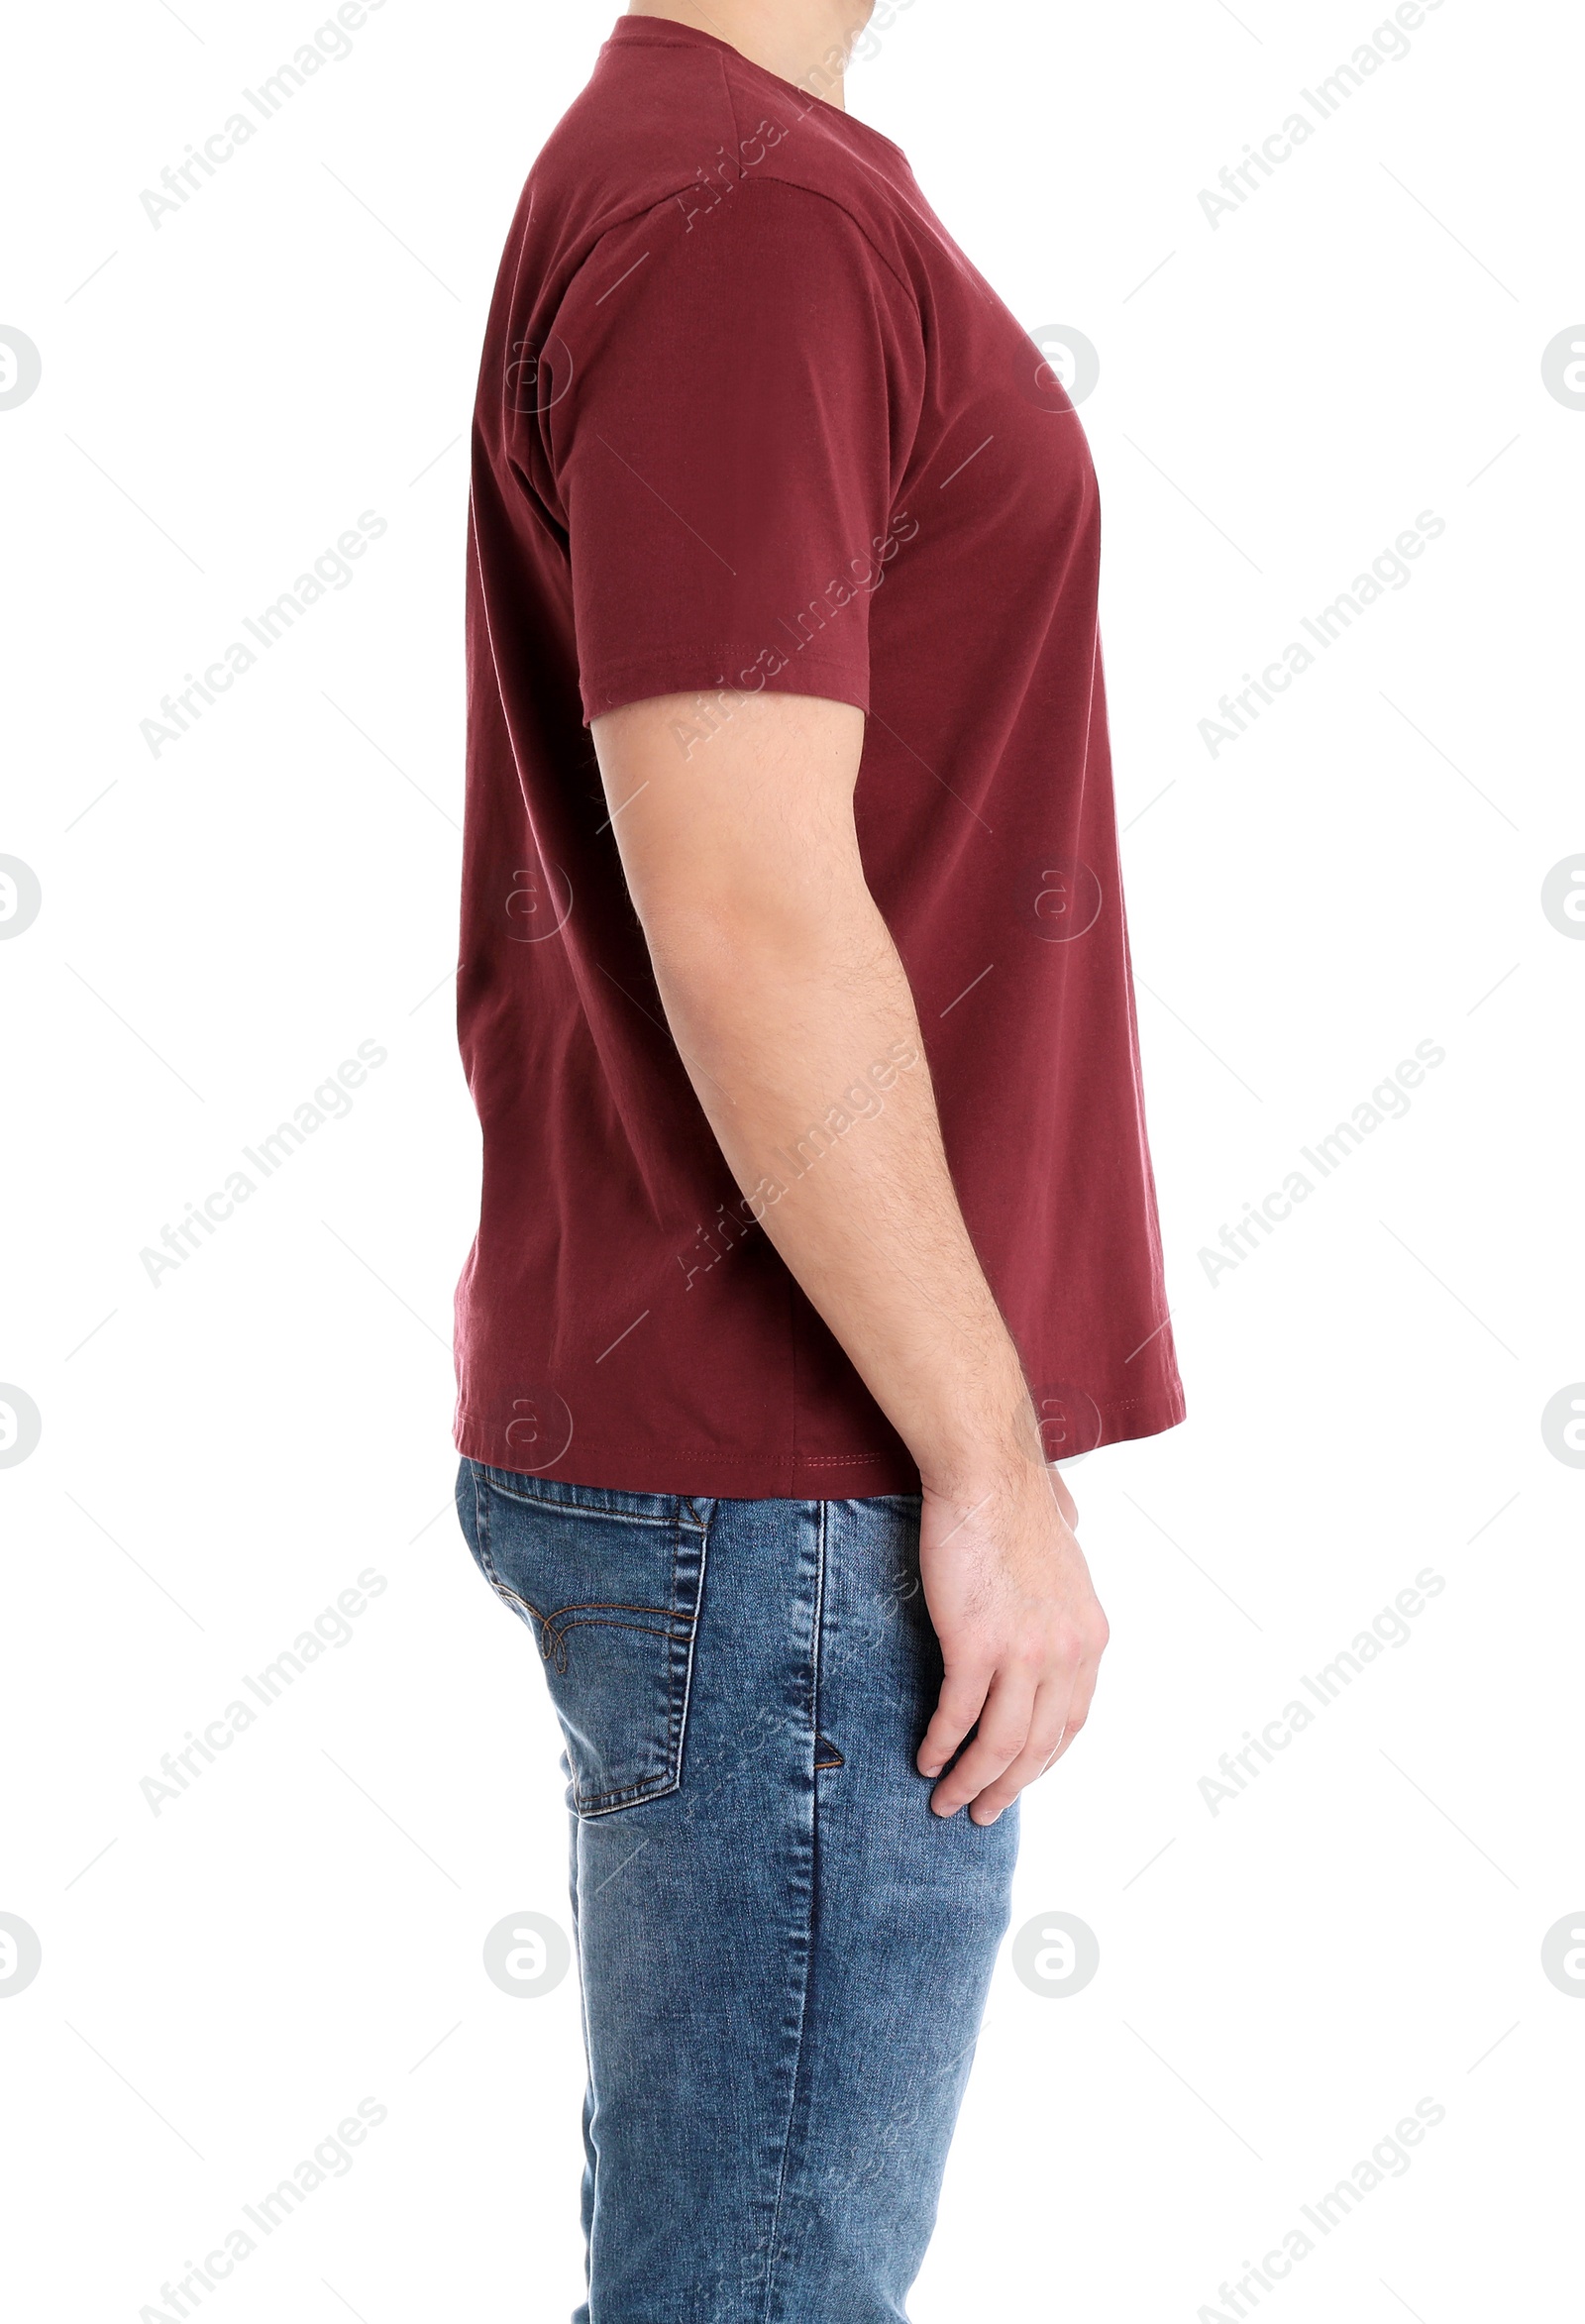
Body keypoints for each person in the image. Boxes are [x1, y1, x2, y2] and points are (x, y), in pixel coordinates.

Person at [451, 3, 1184, 2315]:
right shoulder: (741, 210)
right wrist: (985, 1462)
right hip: (795, 1481)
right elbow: (749, 905)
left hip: (765, 1468)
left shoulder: (743, 171)